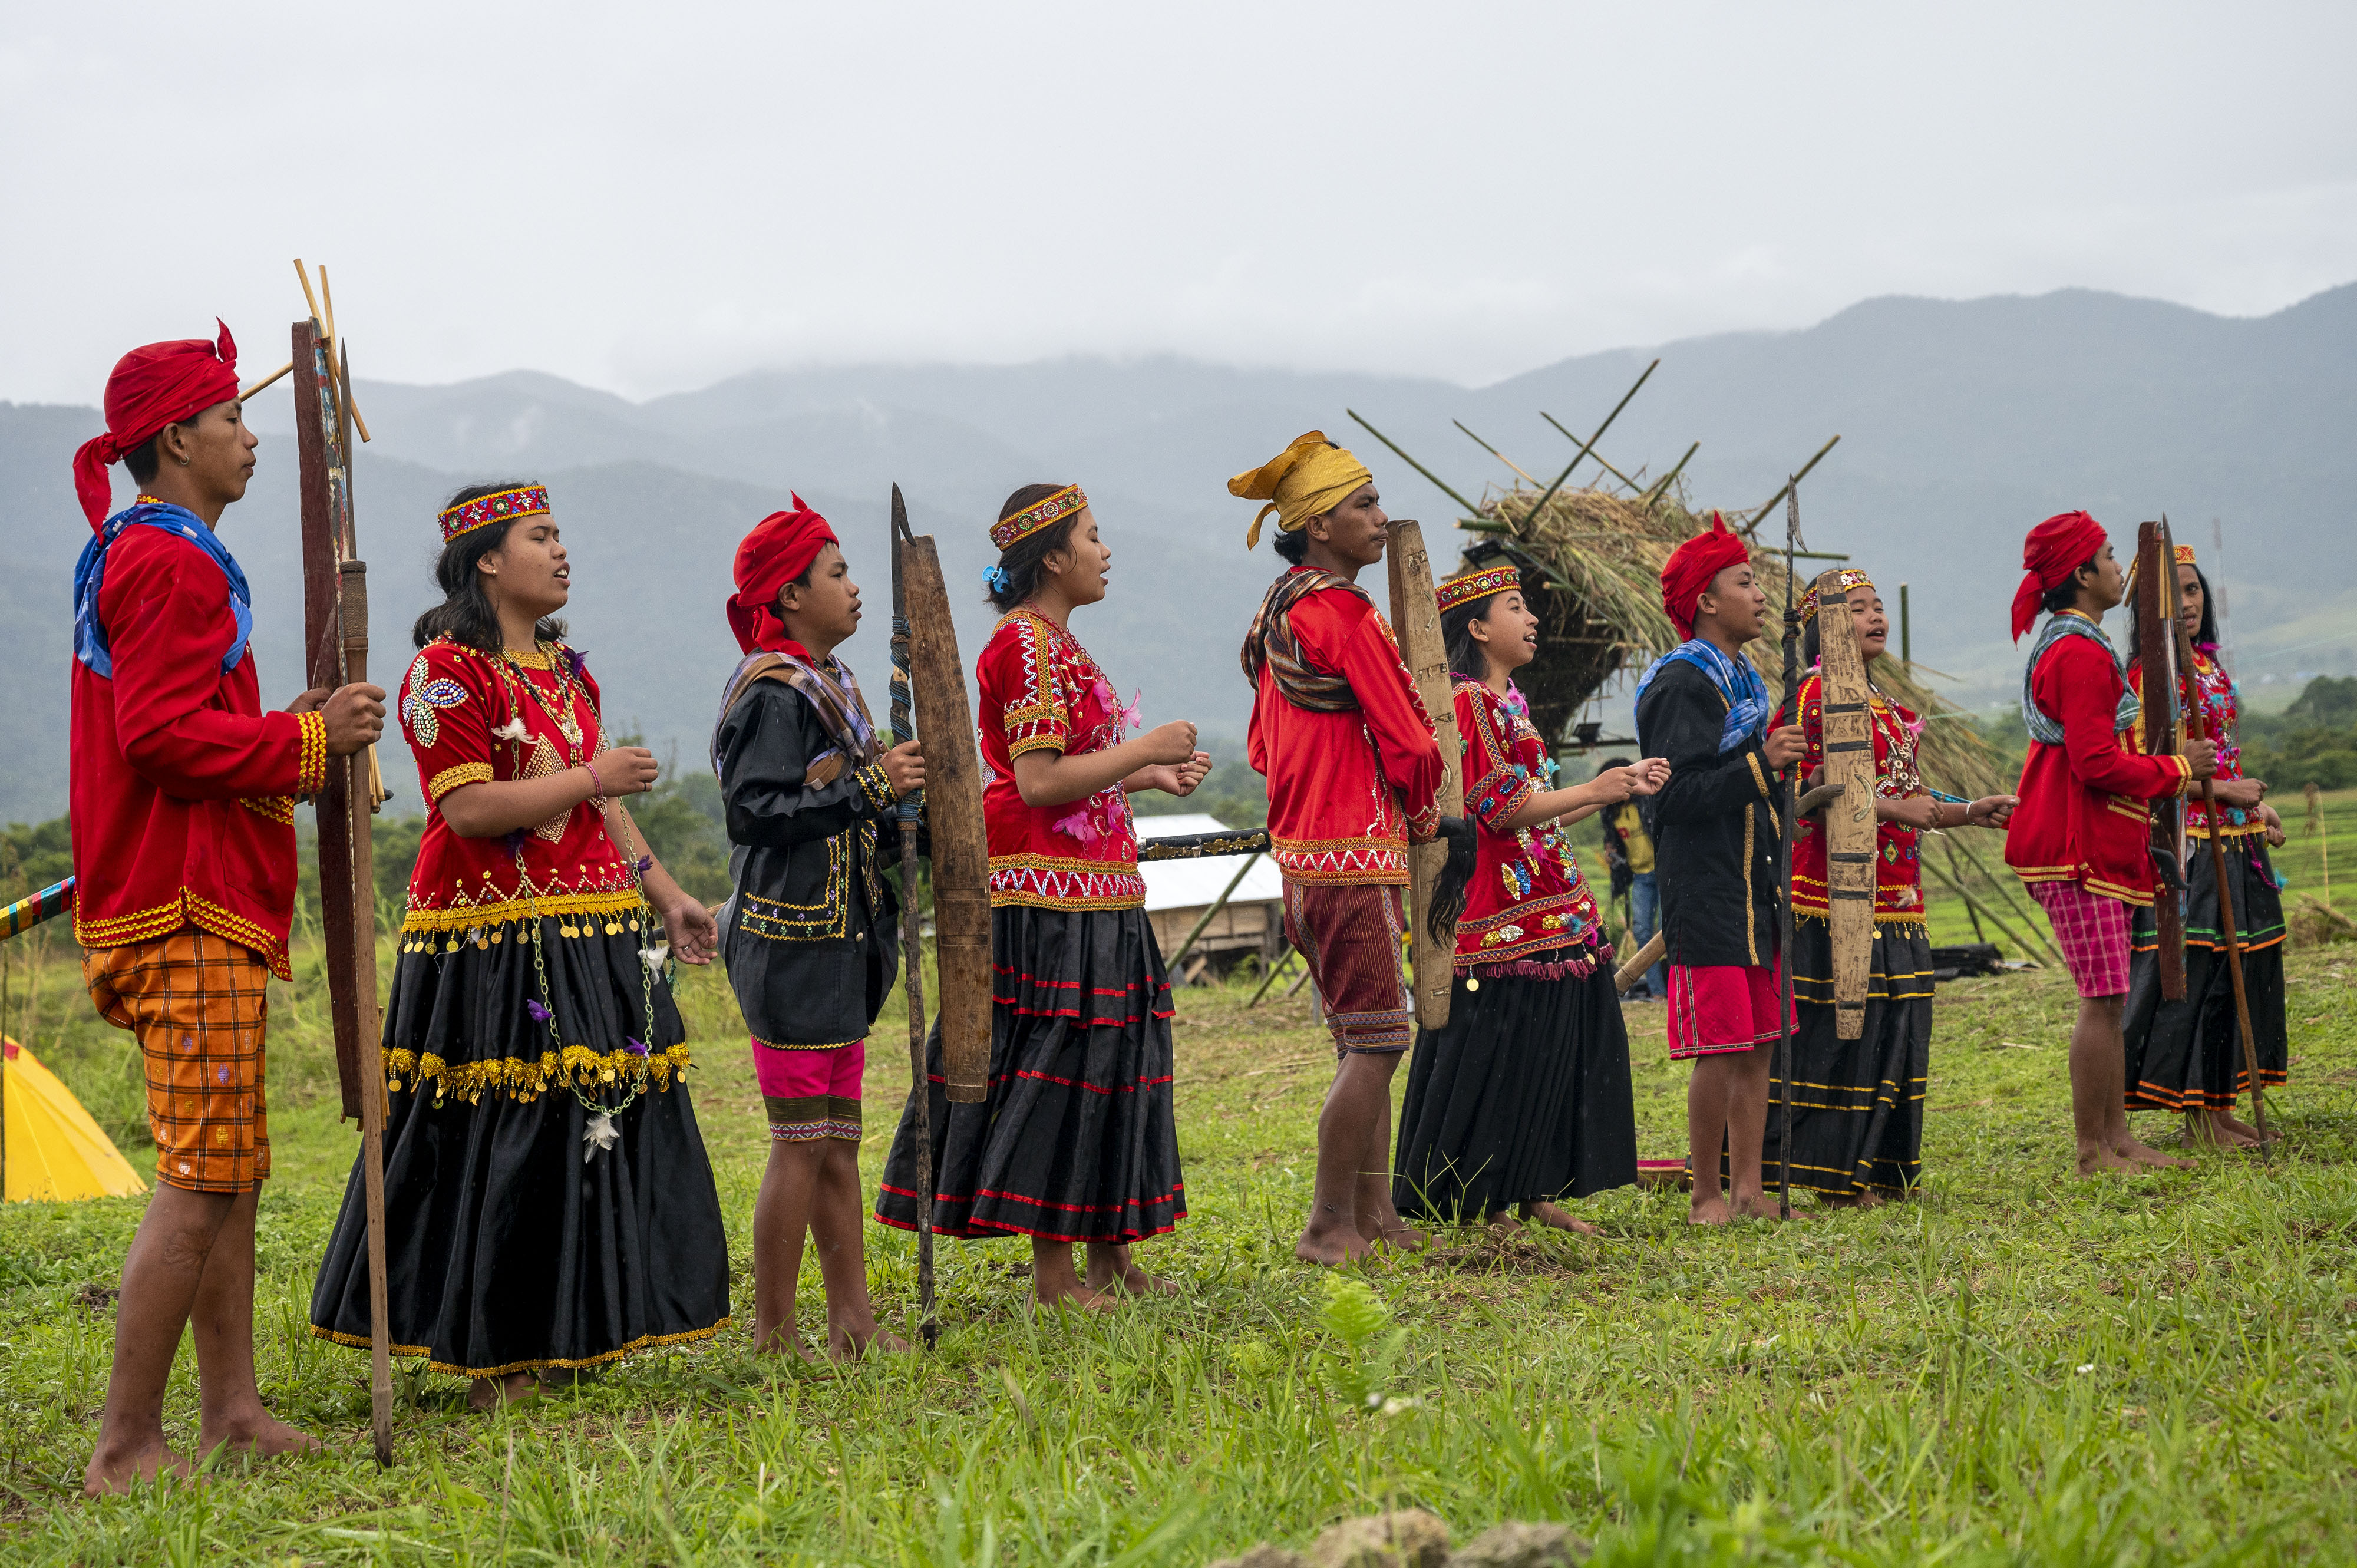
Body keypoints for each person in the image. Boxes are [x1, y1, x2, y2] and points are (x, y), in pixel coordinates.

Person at [309, 482, 729, 1407]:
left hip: (593, 926)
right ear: (489, 559)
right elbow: (464, 809)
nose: (562, 552)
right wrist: (591, 771)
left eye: (560, 536)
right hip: (488, 941)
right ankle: (488, 1354)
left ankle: (567, 1333)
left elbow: (601, 805)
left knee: (595, 1120)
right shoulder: (446, 674)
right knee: (502, 1127)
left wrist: (664, 893)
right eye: (542, 537)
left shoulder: (567, 672)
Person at [68, 323, 386, 1493]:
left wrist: (283, 723)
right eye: (231, 421)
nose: (252, 437)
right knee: (202, 1176)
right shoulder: (171, 558)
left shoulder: (156, 549)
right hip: (181, 900)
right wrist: (309, 742)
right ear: (175, 438)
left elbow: (185, 716)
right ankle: (125, 1444)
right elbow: (155, 737)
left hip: (193, 895)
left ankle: (233, 1407)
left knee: (234, 1169)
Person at [876, 483, 1206, 1310]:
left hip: (1095, 880)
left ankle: (1111, 1260)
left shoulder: (1058, 642)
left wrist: (1145, 771)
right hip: (1045, 889)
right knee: (1059, 1066)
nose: (1105, 551)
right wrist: (1141, 746)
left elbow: (1076, 771)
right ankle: (1055, 1282)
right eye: (1093, 537)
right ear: (1052, 556)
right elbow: (1039, 778)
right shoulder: (1022, 646)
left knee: (1119, 1060)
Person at [1230, 432, 1457, 1265]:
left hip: (1302, 854)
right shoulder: (1344, 613)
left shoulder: (1278, 613)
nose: (1380, 518)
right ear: (1319, 524)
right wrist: (1427, 807)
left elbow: (1261, 748)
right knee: (1380, 1042)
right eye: (1364, 505)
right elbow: (1410, 738)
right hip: (1351, 849)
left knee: (1365, 1035)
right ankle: (1329, 1224)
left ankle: (1377, 1215)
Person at [1391, 565, 1666, 1233]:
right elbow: (1499, 808)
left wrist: (1613, 786)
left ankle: (1534, 1190)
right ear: (1479, 628)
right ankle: (1481, 1202)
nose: (1533, 619)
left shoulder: (1507, 701)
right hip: (1500, 911)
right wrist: (1596, 791)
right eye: (1516, 608)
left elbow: (1537, 813)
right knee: (1505, 1051)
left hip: (1551, 901)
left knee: (1550, 1047)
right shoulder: (1467, 704)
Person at [713, 499, 925, 1358]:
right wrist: (874, 788)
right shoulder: (774, 692)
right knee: (799, 1144)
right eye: (837, 573)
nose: (854, 587)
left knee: (839, 1141)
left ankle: (855, 1326)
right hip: (789, 944)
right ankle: (773, 1334)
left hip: (838, 941)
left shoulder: (832, 681)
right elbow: (755, 812)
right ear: (791, 593)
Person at [1761, 571, 2016, 1206]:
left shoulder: (1889, 708)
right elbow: (1800, 794)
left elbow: (1910, 797)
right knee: (1839, 1038)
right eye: (1856, 609)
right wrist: (1886, 811)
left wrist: (1967, 810)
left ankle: (1878, 1173)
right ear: (1824, 625)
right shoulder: (1813, 696)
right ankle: (1829, 1179)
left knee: (1897, 1032)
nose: (1874, 617)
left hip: (1899, 899)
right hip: (1829, 901)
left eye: (1878, 607)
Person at [2002, 511, 2214, 1175]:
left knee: (2110, 994)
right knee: (2100, 997)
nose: (2120, 567)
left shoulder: (2078, 644)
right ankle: (2093, 1150)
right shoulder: (2076, 653)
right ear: (2081, 574)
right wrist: (2178, 771)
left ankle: (2118, 1138)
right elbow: (2094, 763)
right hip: (2073, 845)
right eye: (2108, 555)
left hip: (2089, 843)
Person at [1632, 513, 1807, 1224]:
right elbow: (1672, 796)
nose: (1761, 594)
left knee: (1760, 1044)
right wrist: (1761, 764)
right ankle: (1706, 1191)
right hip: (1705, 890)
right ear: (1707, 600)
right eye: (1745, 581)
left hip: (1755, 886)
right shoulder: (1682, 685)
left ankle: (1748, 1188)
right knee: (1720, 1046)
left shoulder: (1743, 682)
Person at [2121, 543, 2287, 1147]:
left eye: (2192, 591)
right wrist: (2226, 793)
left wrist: (2254, 804)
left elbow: (2223, 760)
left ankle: (2218, 1106)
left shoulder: (2211, 668)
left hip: (2235, 840)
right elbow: (2148, 769)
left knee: (2241, 967)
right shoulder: (2147, 677)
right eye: (2170, 594)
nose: (2185, 604)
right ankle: (2194, 1115)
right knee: (2201, 971)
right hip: (2188, 846)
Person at [1596, 757, 1666, 999]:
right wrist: (1613, 857)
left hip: (1664, 870)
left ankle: (1677, 987)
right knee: (1643, 933)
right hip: (1640, 876)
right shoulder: (1611, 813)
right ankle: (1658, 992)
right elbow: (1615, 845)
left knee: (1665, 929)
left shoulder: (1648, 800)